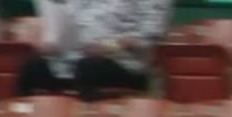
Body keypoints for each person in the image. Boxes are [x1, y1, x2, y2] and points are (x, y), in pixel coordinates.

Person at [16, 0, 174, 101]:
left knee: (88, 68)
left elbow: (151, 35)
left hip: (123, 62)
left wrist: (109, 46)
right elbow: (68, 20)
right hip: (74, 56)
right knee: (32, 66)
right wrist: (53, 39)